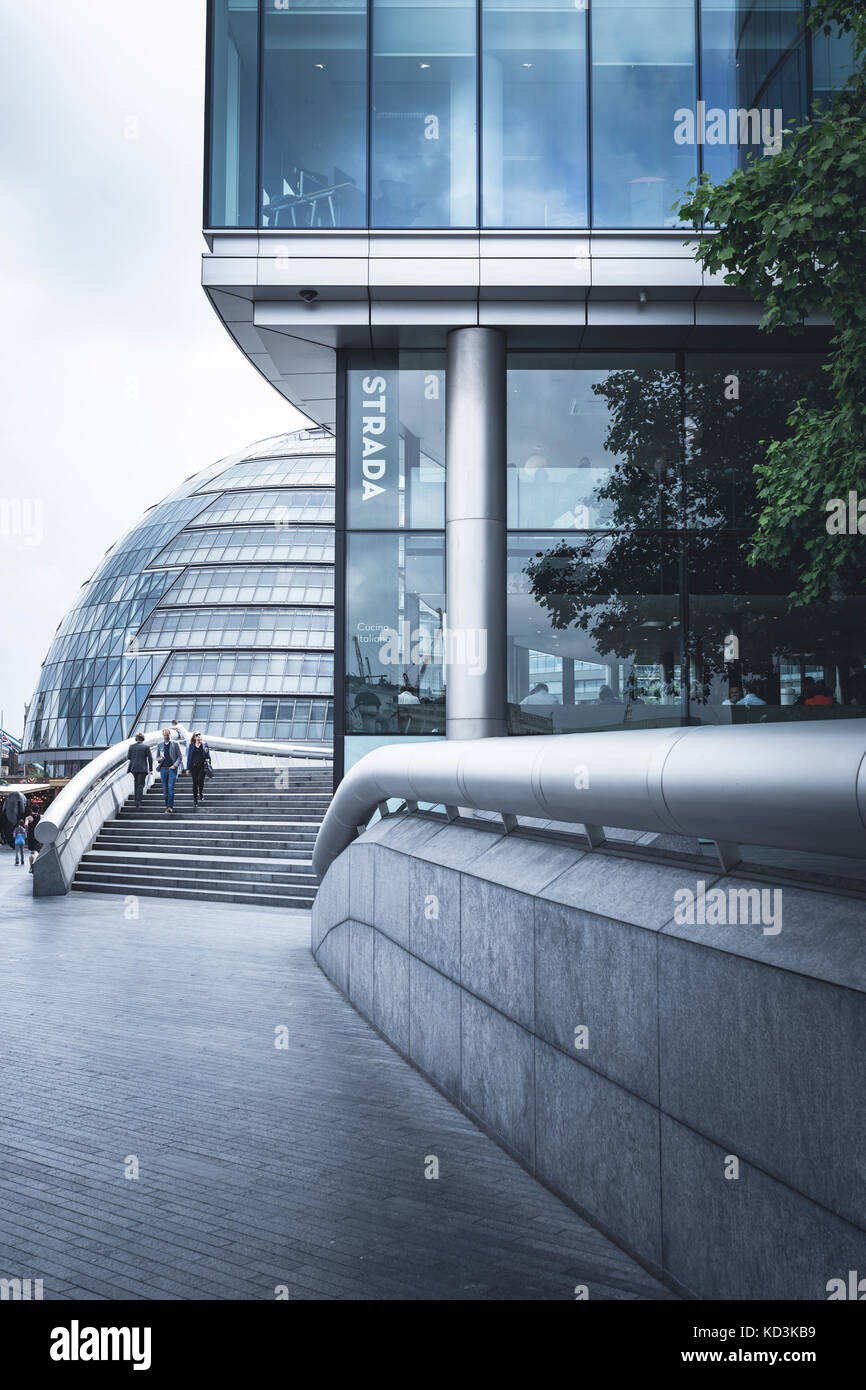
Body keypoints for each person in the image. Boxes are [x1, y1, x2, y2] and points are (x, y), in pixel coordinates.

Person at [155, 727, 183, 815]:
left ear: (170, 735)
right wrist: (160, 759)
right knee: (165, 789)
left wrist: (174, 765)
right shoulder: (160, 745)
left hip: (171, 769)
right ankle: (167, 806)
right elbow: (157, 758)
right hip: (163, 769)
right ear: (162, 735)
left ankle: (170, 807)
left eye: (167, 735)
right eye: (164, 735)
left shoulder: (175, 743)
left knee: (170, 787)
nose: (166, 736)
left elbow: (180, 756)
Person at [185, 731, 212, 810]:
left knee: (200, 781)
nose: (198, 736)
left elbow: (207, 756)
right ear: (194, 737)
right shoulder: (191, 746)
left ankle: (200, 792)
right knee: (195, 783)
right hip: (193, 767)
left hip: (202, 767)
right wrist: (187, 768)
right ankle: (195, 800)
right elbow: (189, 758)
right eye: (197, 735)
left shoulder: (204, 744)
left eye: (199, 734)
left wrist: (206, 752)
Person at [126, 731, 152, 810]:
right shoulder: (146, 747)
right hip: (142, 768)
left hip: (134, 768)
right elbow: (150, 759)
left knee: (136, 783)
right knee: (140, 784)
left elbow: (129, 757)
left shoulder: (131, 746)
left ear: (136, 738)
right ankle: (139, 801)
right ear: (143, 739)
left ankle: (136, 799)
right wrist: (150, 769)